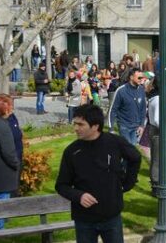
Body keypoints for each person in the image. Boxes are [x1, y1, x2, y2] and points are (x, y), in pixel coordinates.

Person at [55, 104, 141, 243]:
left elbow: (135, 158)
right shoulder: (71, 151)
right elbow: (61, 185)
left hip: (111, 217)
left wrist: (127, 184)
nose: (76, 128)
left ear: (95, 126)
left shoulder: (114, 142)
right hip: (84, 220)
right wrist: (79, 195)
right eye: (75, 124)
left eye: (81, 124)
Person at [0, 95, 20, 230]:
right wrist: (17, 165)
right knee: (0, 209)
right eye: (10, 108)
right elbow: (9, 154)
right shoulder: (3, 127)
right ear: (5, 110)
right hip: (2, 175)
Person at [108, 68, 147, 145]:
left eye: (142, 78)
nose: (141, 80)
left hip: (136, 126)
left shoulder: (142, 90)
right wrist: (111, 128)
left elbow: (143, 109)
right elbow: (113, 110)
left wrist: (142, 125)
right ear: (131, 77)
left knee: (132, 150)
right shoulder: (121, 91)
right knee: (128, 148)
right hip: (124, 126)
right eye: (139, 78)